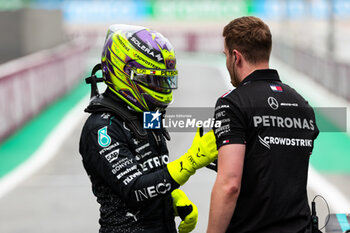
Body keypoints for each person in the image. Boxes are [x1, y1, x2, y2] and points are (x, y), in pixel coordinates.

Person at [79, 24, 217, 233]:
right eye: (153, 80)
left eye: (164, 80)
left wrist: (170, 199)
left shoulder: (148, 116)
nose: (160, 88)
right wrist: (190, 161)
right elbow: (134, 189)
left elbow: (151, 172)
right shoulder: (101, 128)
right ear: (125, 74)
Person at [207, 16, 319, 233]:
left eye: (226, 56)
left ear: (235, 56)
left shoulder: (232, 103)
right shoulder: (302, 104)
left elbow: (229, 185)